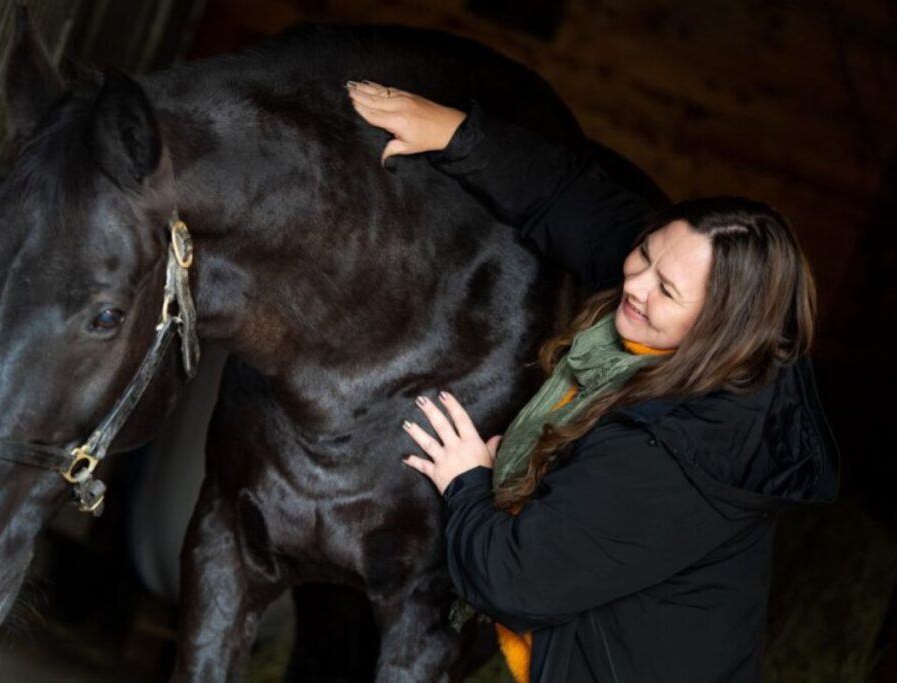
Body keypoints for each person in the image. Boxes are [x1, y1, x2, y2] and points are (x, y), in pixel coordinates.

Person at [347, 81, 839, 683]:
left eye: (667, 289)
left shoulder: (676, 453)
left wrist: (469, 481)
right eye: (646, 255)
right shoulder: (705, 331)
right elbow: (568, 197)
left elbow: (511, 580)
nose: (635, 284)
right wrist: (454, 131)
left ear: (715, 328)